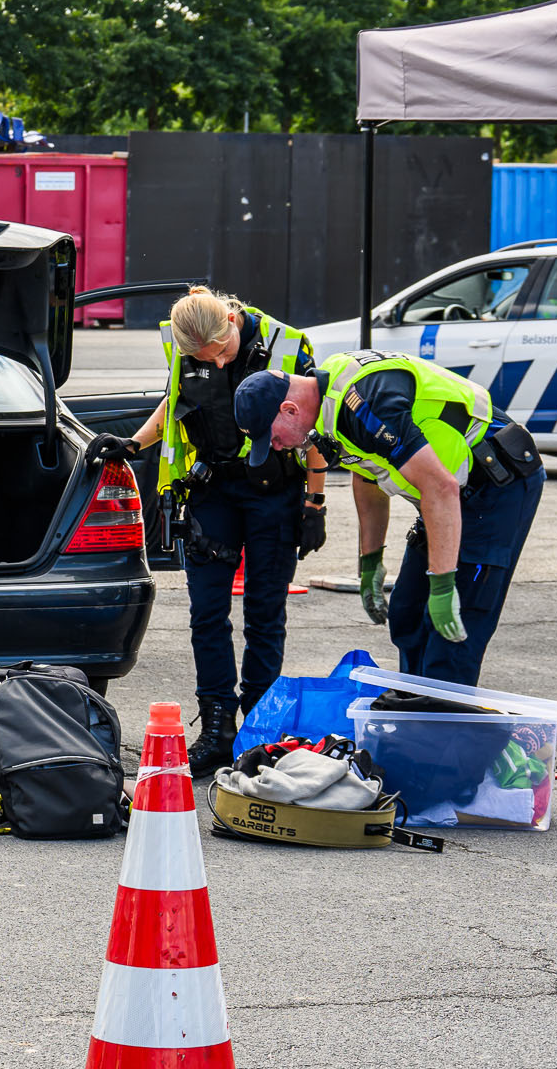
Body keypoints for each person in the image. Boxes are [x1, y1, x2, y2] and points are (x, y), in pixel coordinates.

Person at [106, 288, 327, 776]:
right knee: (207, 614)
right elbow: (176, 402)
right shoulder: (182, 348)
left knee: (265, 614)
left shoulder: (288, 344)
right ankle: (219, 727)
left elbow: (312, 423)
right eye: (208, 358)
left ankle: (260, 729)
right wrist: (133, 443)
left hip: (275, 493)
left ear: (232, 319)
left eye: (224, 351)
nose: (220, 361)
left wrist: (315, 500)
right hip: (214, 491)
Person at [235, 350, 544, 689]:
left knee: (451, 632)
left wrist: (443, 587)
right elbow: (367, 475)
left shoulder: (367, 406)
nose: (277, 447)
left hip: (496, 483)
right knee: (408, 615)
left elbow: (441, 488)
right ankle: (416, 717)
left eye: (273, 437)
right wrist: (370, 562)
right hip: (448, 492)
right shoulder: (327, 404)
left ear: (289, 409)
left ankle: (445, 730)